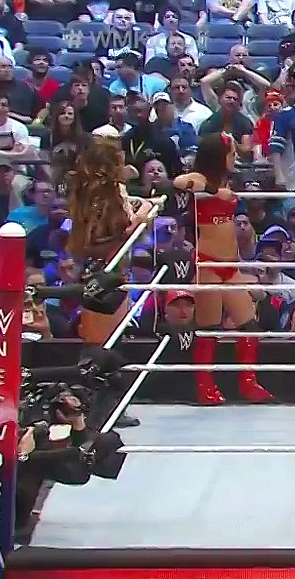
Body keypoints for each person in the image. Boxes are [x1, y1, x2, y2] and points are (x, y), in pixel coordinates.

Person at [173, 133, 273, 406]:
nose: (234, 158)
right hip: (209, 264)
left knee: (249, 323)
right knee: (209, 328)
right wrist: (216, 193)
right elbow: (179, 182)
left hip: (231, 264)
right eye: (230, 154)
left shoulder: (225, 181)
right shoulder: (201, 179)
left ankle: (248, 382)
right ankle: (205, 386)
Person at [66, 137, 163, 344]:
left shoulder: (87, 191)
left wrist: (142, 204)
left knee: (103, 340)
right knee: (105, 342)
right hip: (108, 270)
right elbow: (127, 228)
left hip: (99, 268)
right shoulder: (110, 191)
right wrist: (145, 212)